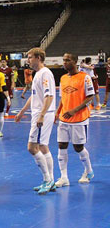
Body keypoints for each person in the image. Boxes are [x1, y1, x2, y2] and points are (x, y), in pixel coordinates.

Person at [15, 48, 56, 195]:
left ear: (38, 58)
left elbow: (49, 96)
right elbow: (34, 96)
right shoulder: (38, 74)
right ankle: (50, 180)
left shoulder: (45, 73)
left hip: (42, 114)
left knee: (32, 148)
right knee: (43, 147)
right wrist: (22, 111)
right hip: (40, 113)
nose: (28, 60)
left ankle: (47, 180)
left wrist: (42, 115)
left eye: (30, 57)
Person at [54, 53, 95, 188]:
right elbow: (62, 98)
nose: (65, 62)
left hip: (79, 119)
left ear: (75, 61)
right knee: (61, 145)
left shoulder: (85, 77)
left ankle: (88, 171)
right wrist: (57, 112)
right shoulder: (63, 78)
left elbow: (90, 97)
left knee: (78, 148)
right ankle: (64, 177)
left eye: (68, 60)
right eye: (64, 60)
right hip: (64, 119)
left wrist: (74, 110)